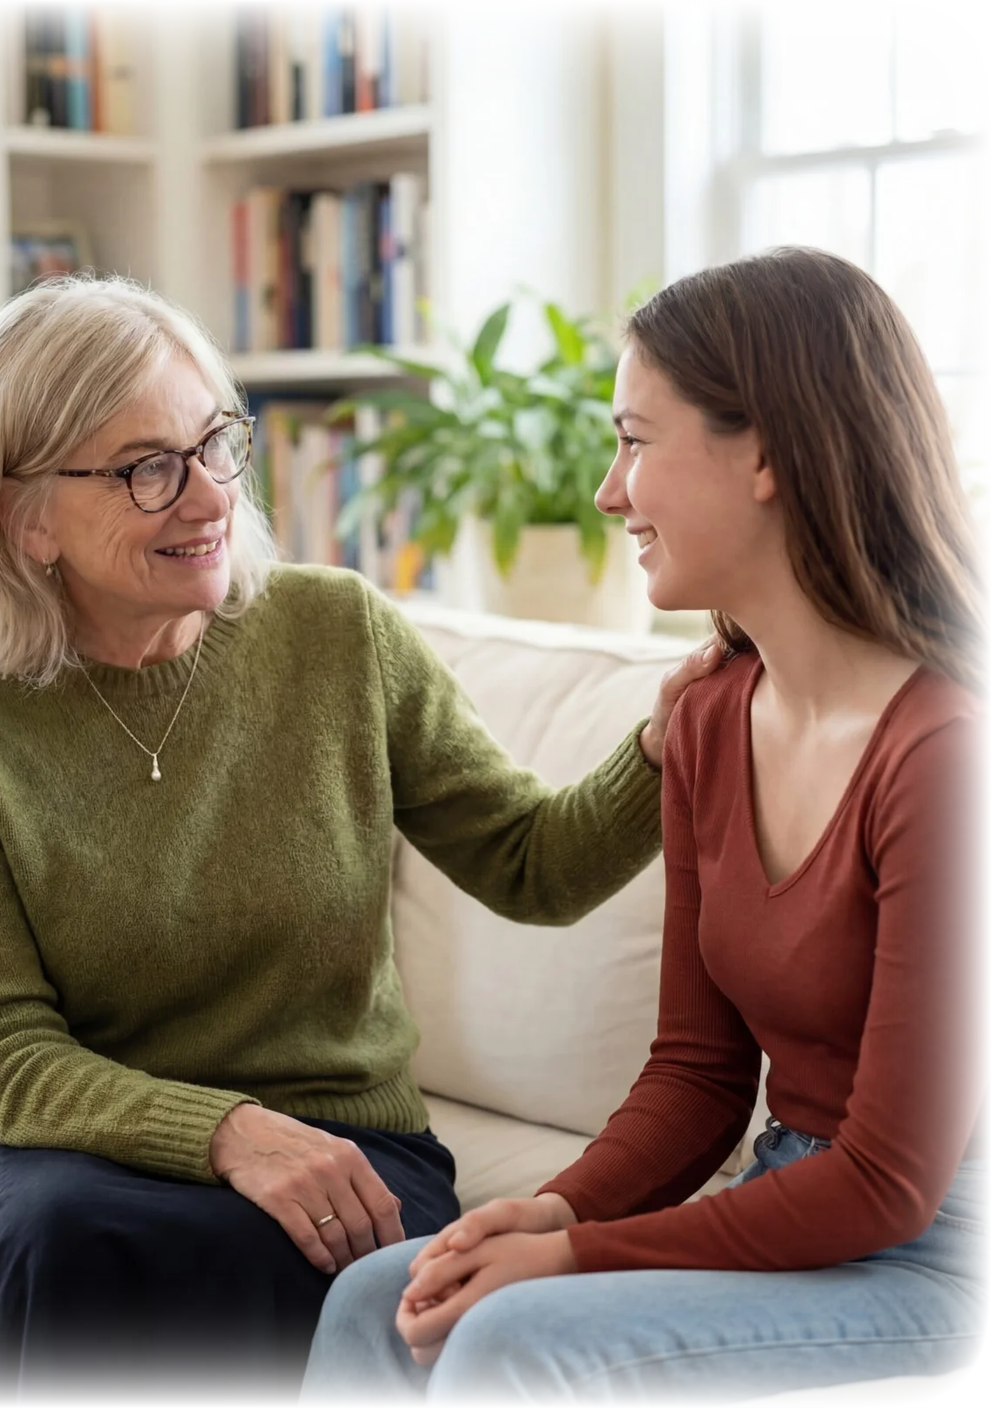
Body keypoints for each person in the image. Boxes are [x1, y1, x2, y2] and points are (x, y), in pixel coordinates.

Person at [0, 275, 717, 1408]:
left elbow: (531, 865)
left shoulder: (334, 632)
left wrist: (657, 743)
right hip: (62, 1145)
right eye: (144, 467)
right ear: (27, 517)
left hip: (346, 1138)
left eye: (216, 443)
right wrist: (227, 1133)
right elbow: (6, 1056)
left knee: (234, 1266)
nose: (206, 495)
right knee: (63, 1240)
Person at [300, 247, 991, 1408]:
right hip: (794, 1196)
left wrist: (572, 1255)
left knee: (510, 1343)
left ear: (765, 452)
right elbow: (696, 1073)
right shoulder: (711, 716)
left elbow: (885, 1183)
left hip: (951, 1247)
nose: (609, 491)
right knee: (385, 1294)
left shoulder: (950, 759)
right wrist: (557, 1206)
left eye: (634, 440)